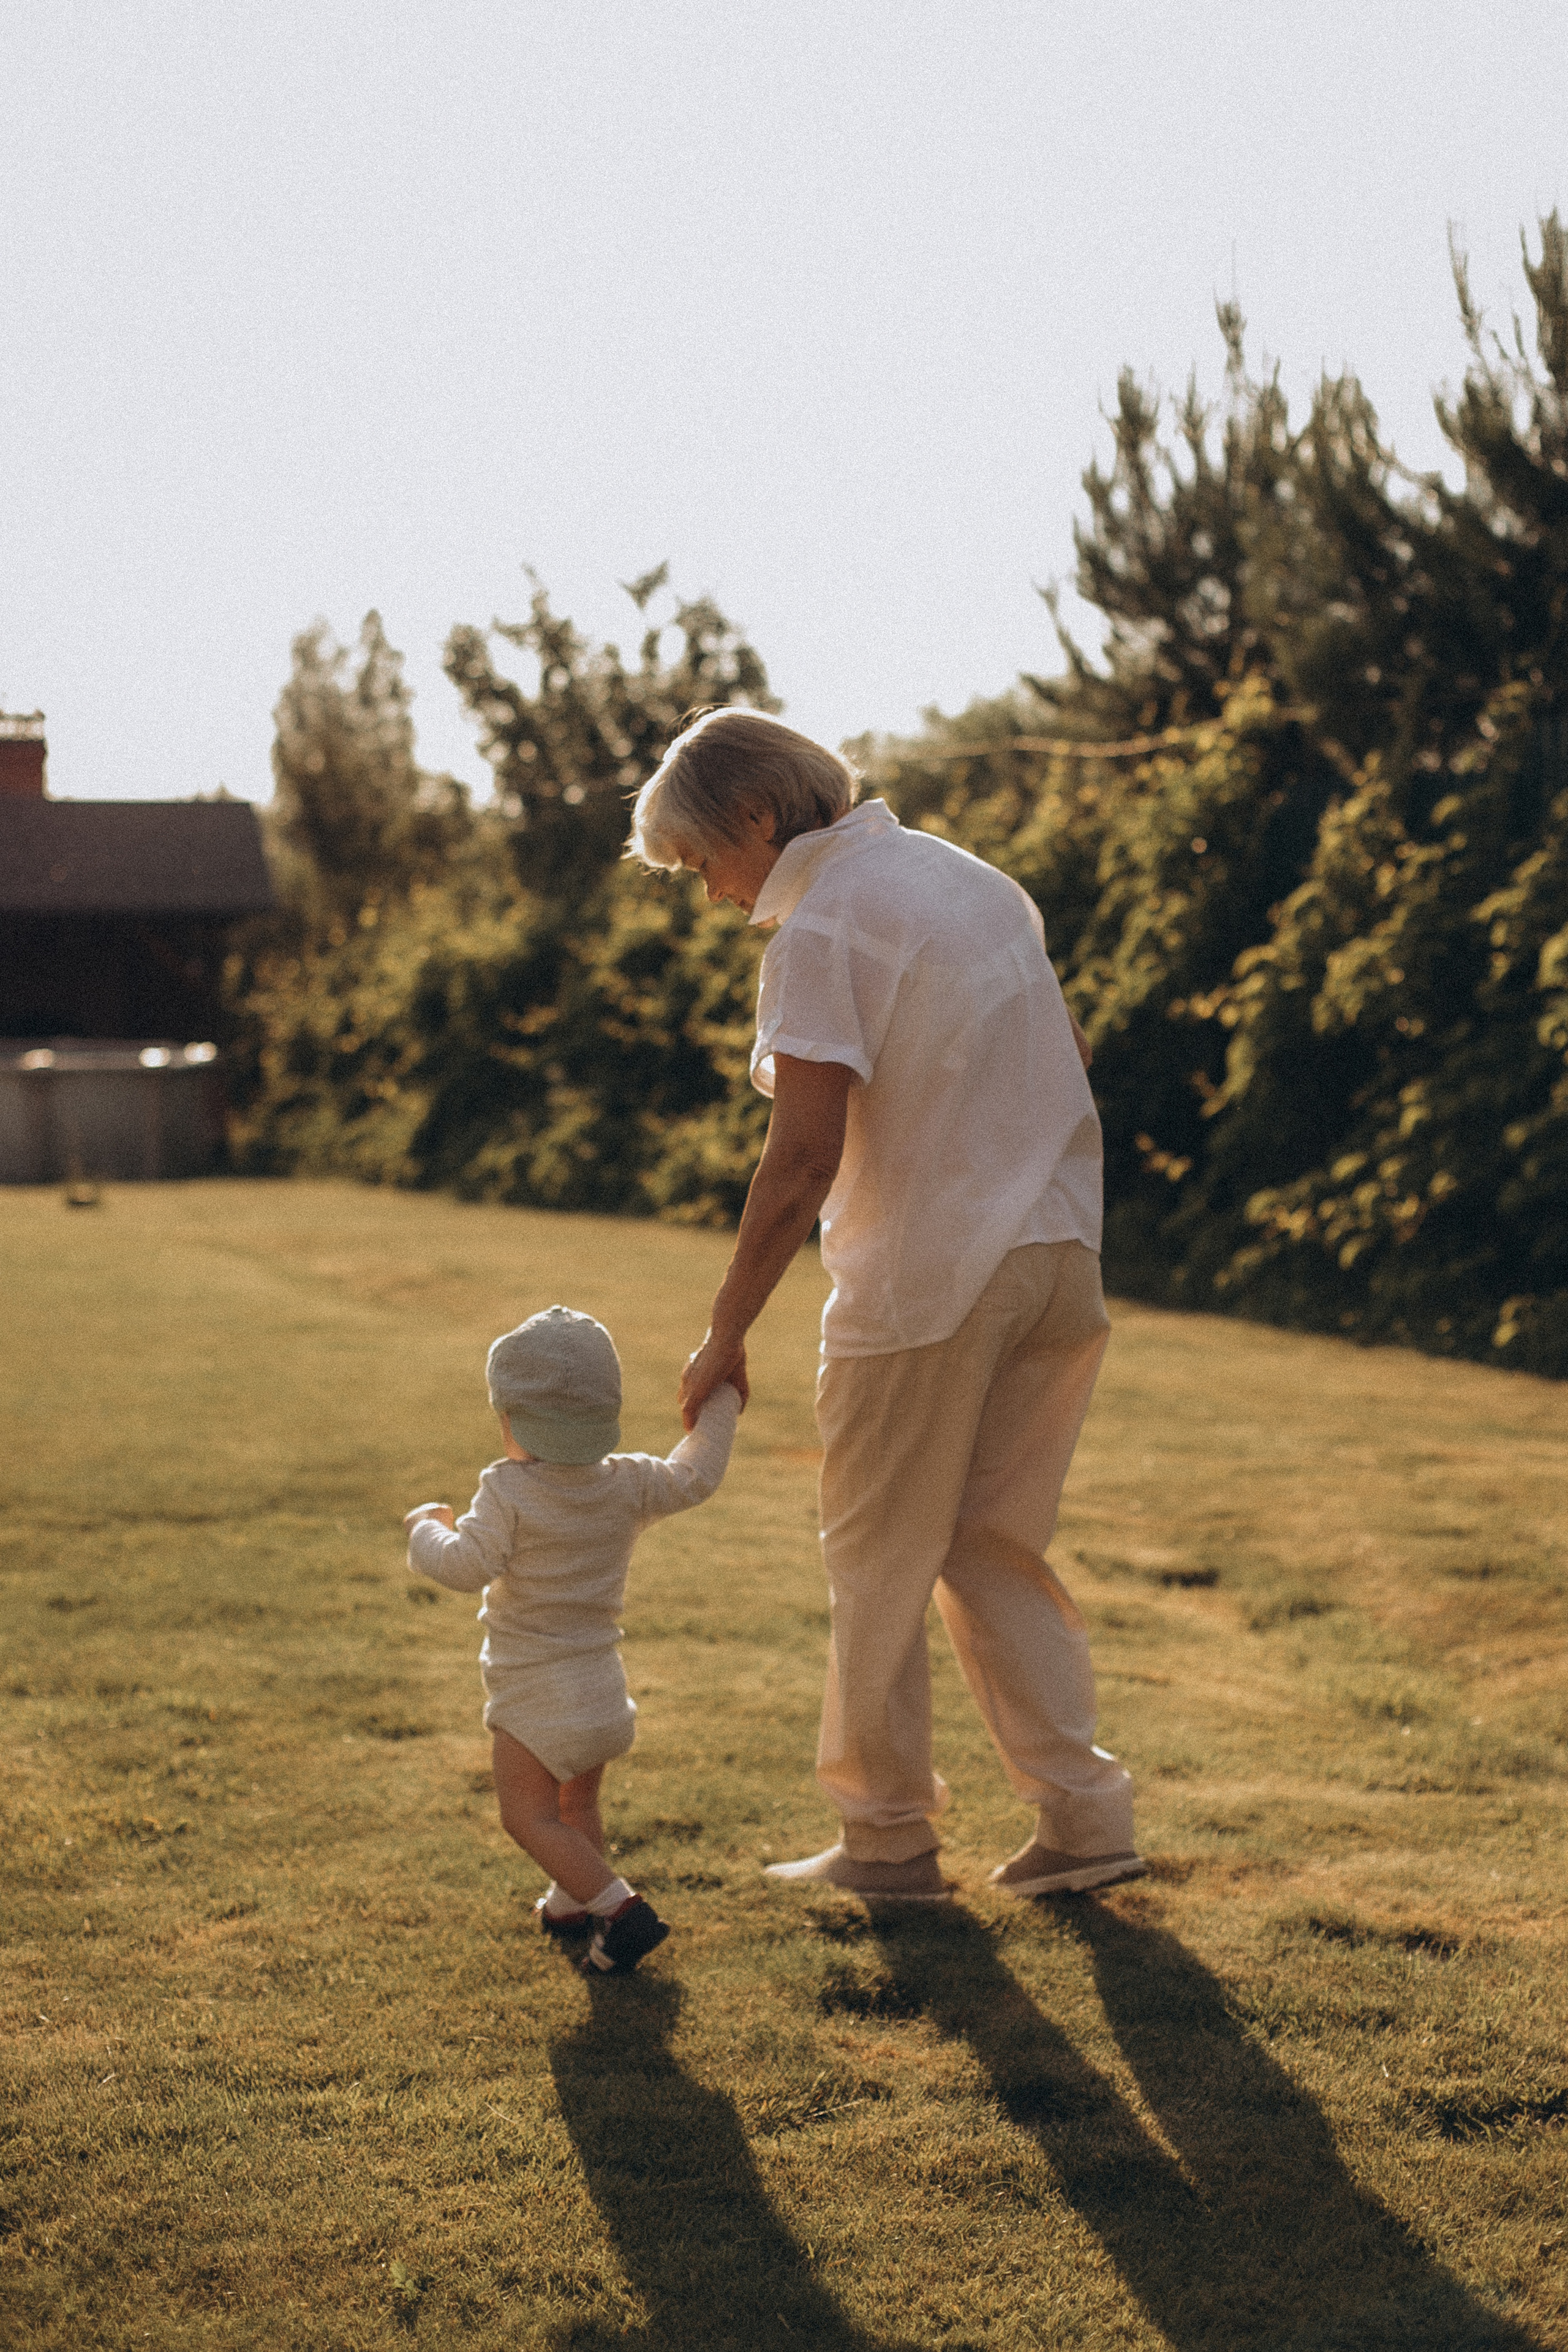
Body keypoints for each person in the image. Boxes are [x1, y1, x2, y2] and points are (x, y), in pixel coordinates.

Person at [628, 708, 1142, 1904]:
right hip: (1057, 1252)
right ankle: (1082, 1822)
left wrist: (723, 1329)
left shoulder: (823, 920)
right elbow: (1062, 1045)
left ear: (755, 817)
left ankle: (886, 1844)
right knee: (989, 1546)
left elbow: (800, 1156)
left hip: (927, 1280)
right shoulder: (975, 882)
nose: (711, 897)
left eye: (702, 864)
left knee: (874, 1558)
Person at [404, 1305, 739, 1972]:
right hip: (600, 1695)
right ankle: (571, 1900)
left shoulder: (507, 1491)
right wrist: (723, 1398)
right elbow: (696, 1474)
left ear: (509, 1418)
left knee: (528, 1817)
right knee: (574, 1801)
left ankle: (619, 1911)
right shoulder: (631, 1481)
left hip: (534, 1698)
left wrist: (425, 1527)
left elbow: (463, 1567)